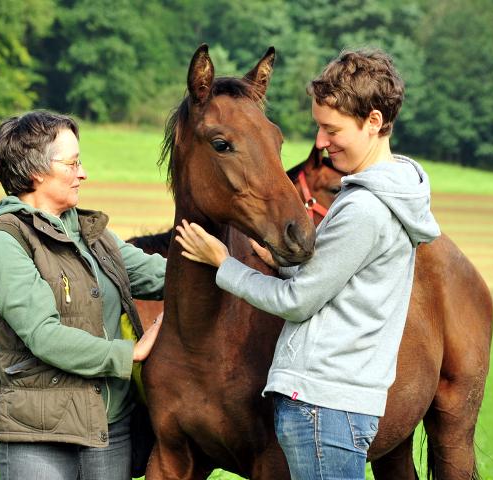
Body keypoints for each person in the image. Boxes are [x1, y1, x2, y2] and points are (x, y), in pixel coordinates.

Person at [175, 48, 441, 480]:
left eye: (330, 129)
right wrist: (281, 265)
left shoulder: (364, 209)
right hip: (348, 400)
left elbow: (299, 302)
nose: (319, 143)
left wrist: (224, 264)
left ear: (373, 122)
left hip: (322, 403)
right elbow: (339, 286)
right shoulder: (390, 198)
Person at [0, 110, 166, 480]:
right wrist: (132, 353)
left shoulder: (92, 234)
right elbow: (43, 335)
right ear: (35, 173)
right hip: (39, 436)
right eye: (73, 162)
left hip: (111, 430)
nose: (83, 172)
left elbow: (160, 275)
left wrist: (234, 267)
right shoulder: (3, 242)